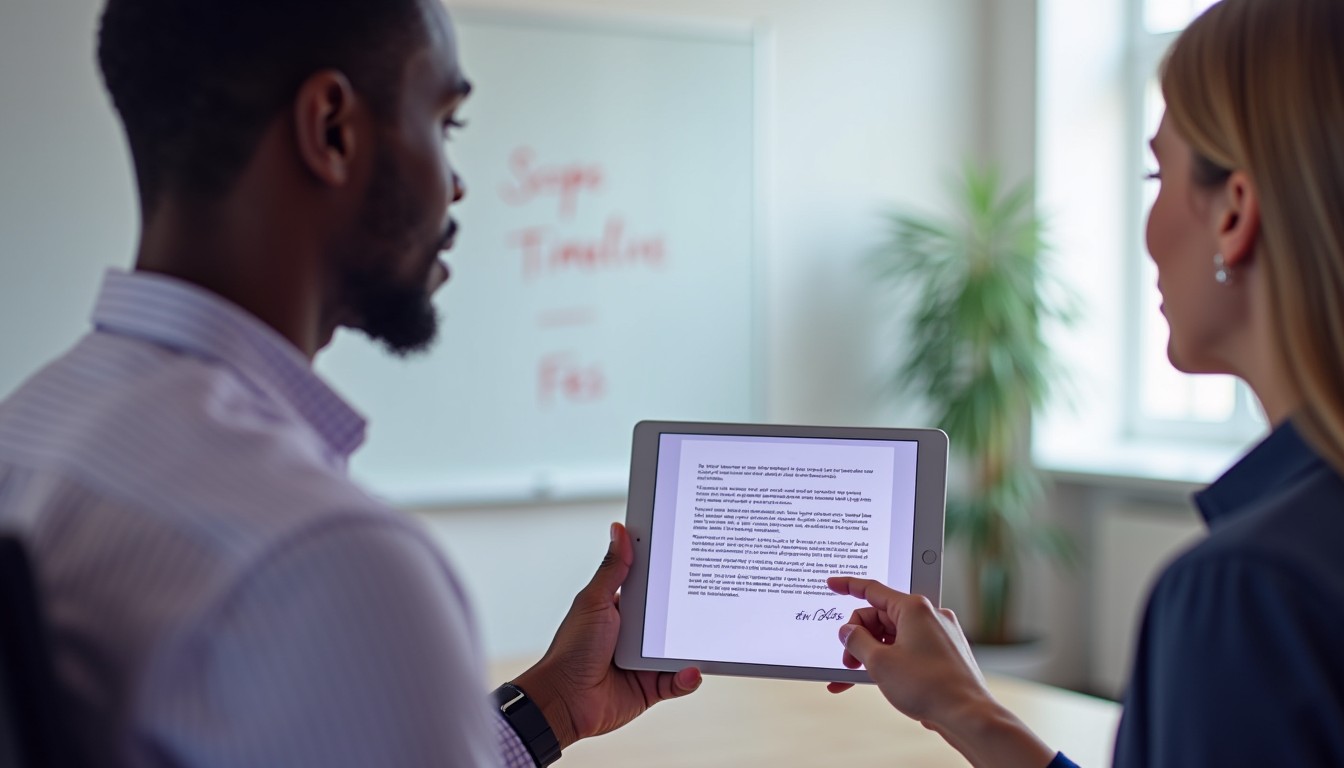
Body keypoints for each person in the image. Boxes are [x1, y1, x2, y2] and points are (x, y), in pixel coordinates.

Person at [0, 1, 701, 766]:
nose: (456, 185)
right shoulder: (328, 564)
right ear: (331, 129)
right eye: (445, 123)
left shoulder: (27, 432)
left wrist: (551, 710)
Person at [825, 0, 1344, 765]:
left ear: (1235, 214)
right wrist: (965, 707)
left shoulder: (1247, 592)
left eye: (1156, 175)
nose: (1148, 231)